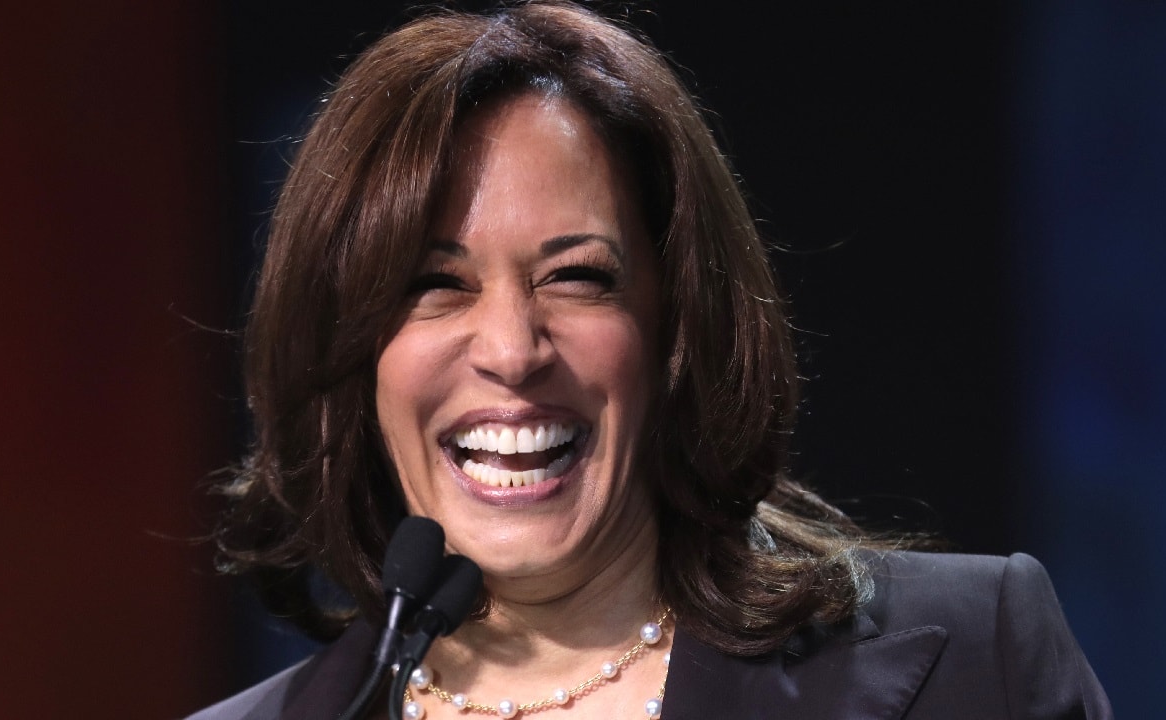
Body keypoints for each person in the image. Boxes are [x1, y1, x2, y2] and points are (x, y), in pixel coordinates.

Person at [191, 2, 1112, 718]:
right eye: (436, 284)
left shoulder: (973, 661)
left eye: (578, 277)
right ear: (351, 358)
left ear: (674, 329)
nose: (513, 350)